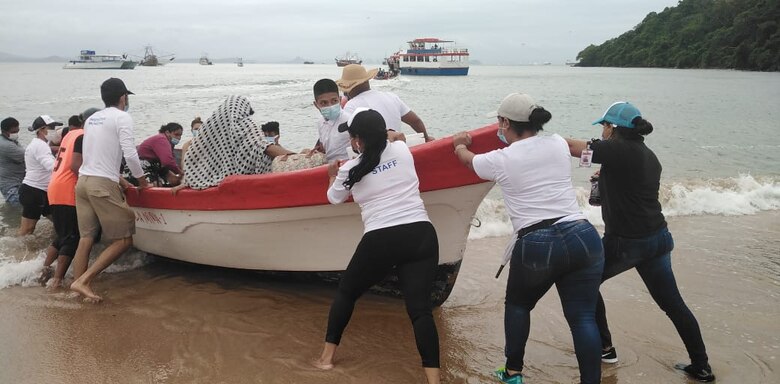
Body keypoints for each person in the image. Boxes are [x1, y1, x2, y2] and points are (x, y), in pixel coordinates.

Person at [452, 93, 604, 384]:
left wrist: (459, 143)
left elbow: (468, 161)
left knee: (519, 306)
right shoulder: (557, 143)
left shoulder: (501, 159)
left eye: (500, 122)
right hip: (582, 234)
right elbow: (583, 148)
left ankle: (513, 373)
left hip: (538, 241)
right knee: (583, 317)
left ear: (506, 123)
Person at [565, 102, 715, 382]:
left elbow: (571, 147)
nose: (602, 131)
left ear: (613, 127)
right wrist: (605, 179)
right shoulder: (648, 155)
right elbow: (631, 191)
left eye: (604, 126)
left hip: (626, 243)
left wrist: (534, 139)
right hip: (657, 239)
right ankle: (701, 366)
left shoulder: (617, 149)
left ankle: (605, 349)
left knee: (581, 280)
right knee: (674, 305)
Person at [313, 108, 441, 384]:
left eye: (352, 137)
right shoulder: (402, 151)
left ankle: (326, 359)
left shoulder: (349, 169)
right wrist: (390, 135)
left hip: (381, 238)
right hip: (421, 234)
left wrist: (331, 176)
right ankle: (434, 380)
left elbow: (334, 198)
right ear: (383, 132)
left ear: (358, 140)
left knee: (347, 292)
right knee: (420, 311)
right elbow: (398, 139)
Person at [69, 78, 150, 302]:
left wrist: (121, 180)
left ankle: (78, 291)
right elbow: (130, 154)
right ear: (123, 97)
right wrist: (142, 182)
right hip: (102, 185)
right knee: (124, 239)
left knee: (86, 238)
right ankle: (83, 281)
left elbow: (96, 155)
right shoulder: (122, 117)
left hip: (83, 182)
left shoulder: (92, 119)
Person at [39, 107, 99, 289]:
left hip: (55, 187)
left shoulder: (70, 134)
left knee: (63, 235)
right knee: (72, 237)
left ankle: (44, 273)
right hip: (68, 189)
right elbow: (76, 166)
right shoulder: (85, 136)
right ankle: (57, 281)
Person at [180, 95, 295, 190]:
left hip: (214, 184)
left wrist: (188, 181)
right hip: (246, 184)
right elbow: (264, 147)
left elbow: (192, 159)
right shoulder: (246, 125)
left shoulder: (210, 131)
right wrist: (295, 156)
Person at [336, 64, 433, 141]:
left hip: (374, 155)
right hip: (397, 149)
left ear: (348, 87)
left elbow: (346, 138)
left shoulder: (352, 105)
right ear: (367, 81)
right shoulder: (391, 97)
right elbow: (415, 121)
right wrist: (426, 138)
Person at [18, 115, 61, 235]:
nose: (54, 130)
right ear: (42, 130)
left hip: (41, 191)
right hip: (34, 191)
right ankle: (14, 247)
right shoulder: (40, 146)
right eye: (51, 127)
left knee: (59, 221)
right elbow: (52, 167)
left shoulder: (40, 144)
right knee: (27, 230)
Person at [311, 78, 350, 162]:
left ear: (340, 99)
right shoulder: (320, 122)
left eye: (334, 101)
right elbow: (324, 148)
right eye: (324, 103)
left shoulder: (349, 120)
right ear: (316, 105)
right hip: (328, 165)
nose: (330, 106)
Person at [0, 117, 25, 205]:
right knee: (20, 210)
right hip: (12, 186)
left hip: (16, 182)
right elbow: (27, 156)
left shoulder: (11, 140)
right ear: (4, 131)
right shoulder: (6, 145)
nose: (16, 134)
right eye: (13, 132)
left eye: (17, 131)